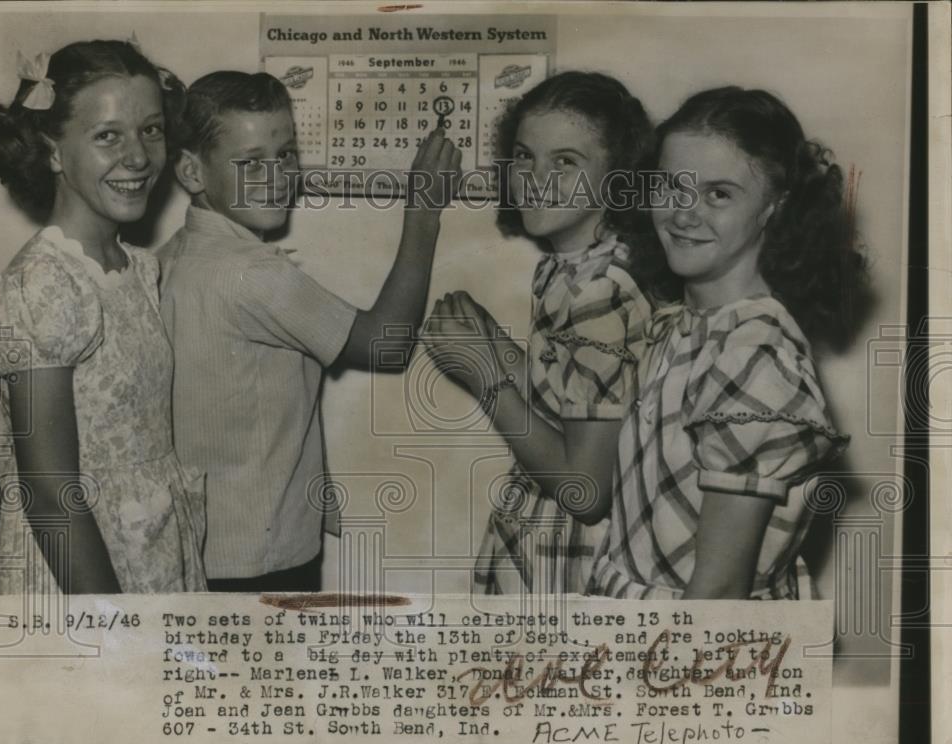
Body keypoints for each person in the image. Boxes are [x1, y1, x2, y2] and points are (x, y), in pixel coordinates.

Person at [159, 71, 461, 593]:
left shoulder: (173, 257)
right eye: (251, 162)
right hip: (261, 558)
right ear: (191, 171)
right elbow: (386, 345)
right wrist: (423, 211)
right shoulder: (251, 273)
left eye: (286, 155)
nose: (276, 177)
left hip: (199, 551)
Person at [586, 86, 867, 600]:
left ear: (774, 208)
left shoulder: (753, 352)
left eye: (718, 193)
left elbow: (716, 593)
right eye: (671, 186)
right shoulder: (679, 324)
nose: (683, 213)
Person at [0, 40, 206, 593]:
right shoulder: (43, 283)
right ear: (53, 150)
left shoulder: (138, 268)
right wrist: (112, 631)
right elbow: (49, 493)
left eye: (151, 130)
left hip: (149, 555)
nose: (137, 157)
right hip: (81, 579)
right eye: (108, 135)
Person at [425, 72, 655, 594]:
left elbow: (585, 490)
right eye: (525, 157)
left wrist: (486, 376)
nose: (536, 178)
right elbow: (564, 406)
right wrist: (497, 350)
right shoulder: (567, 268)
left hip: (575, 561)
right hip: (545, 541)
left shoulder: (601, 290)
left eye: (565, 162)